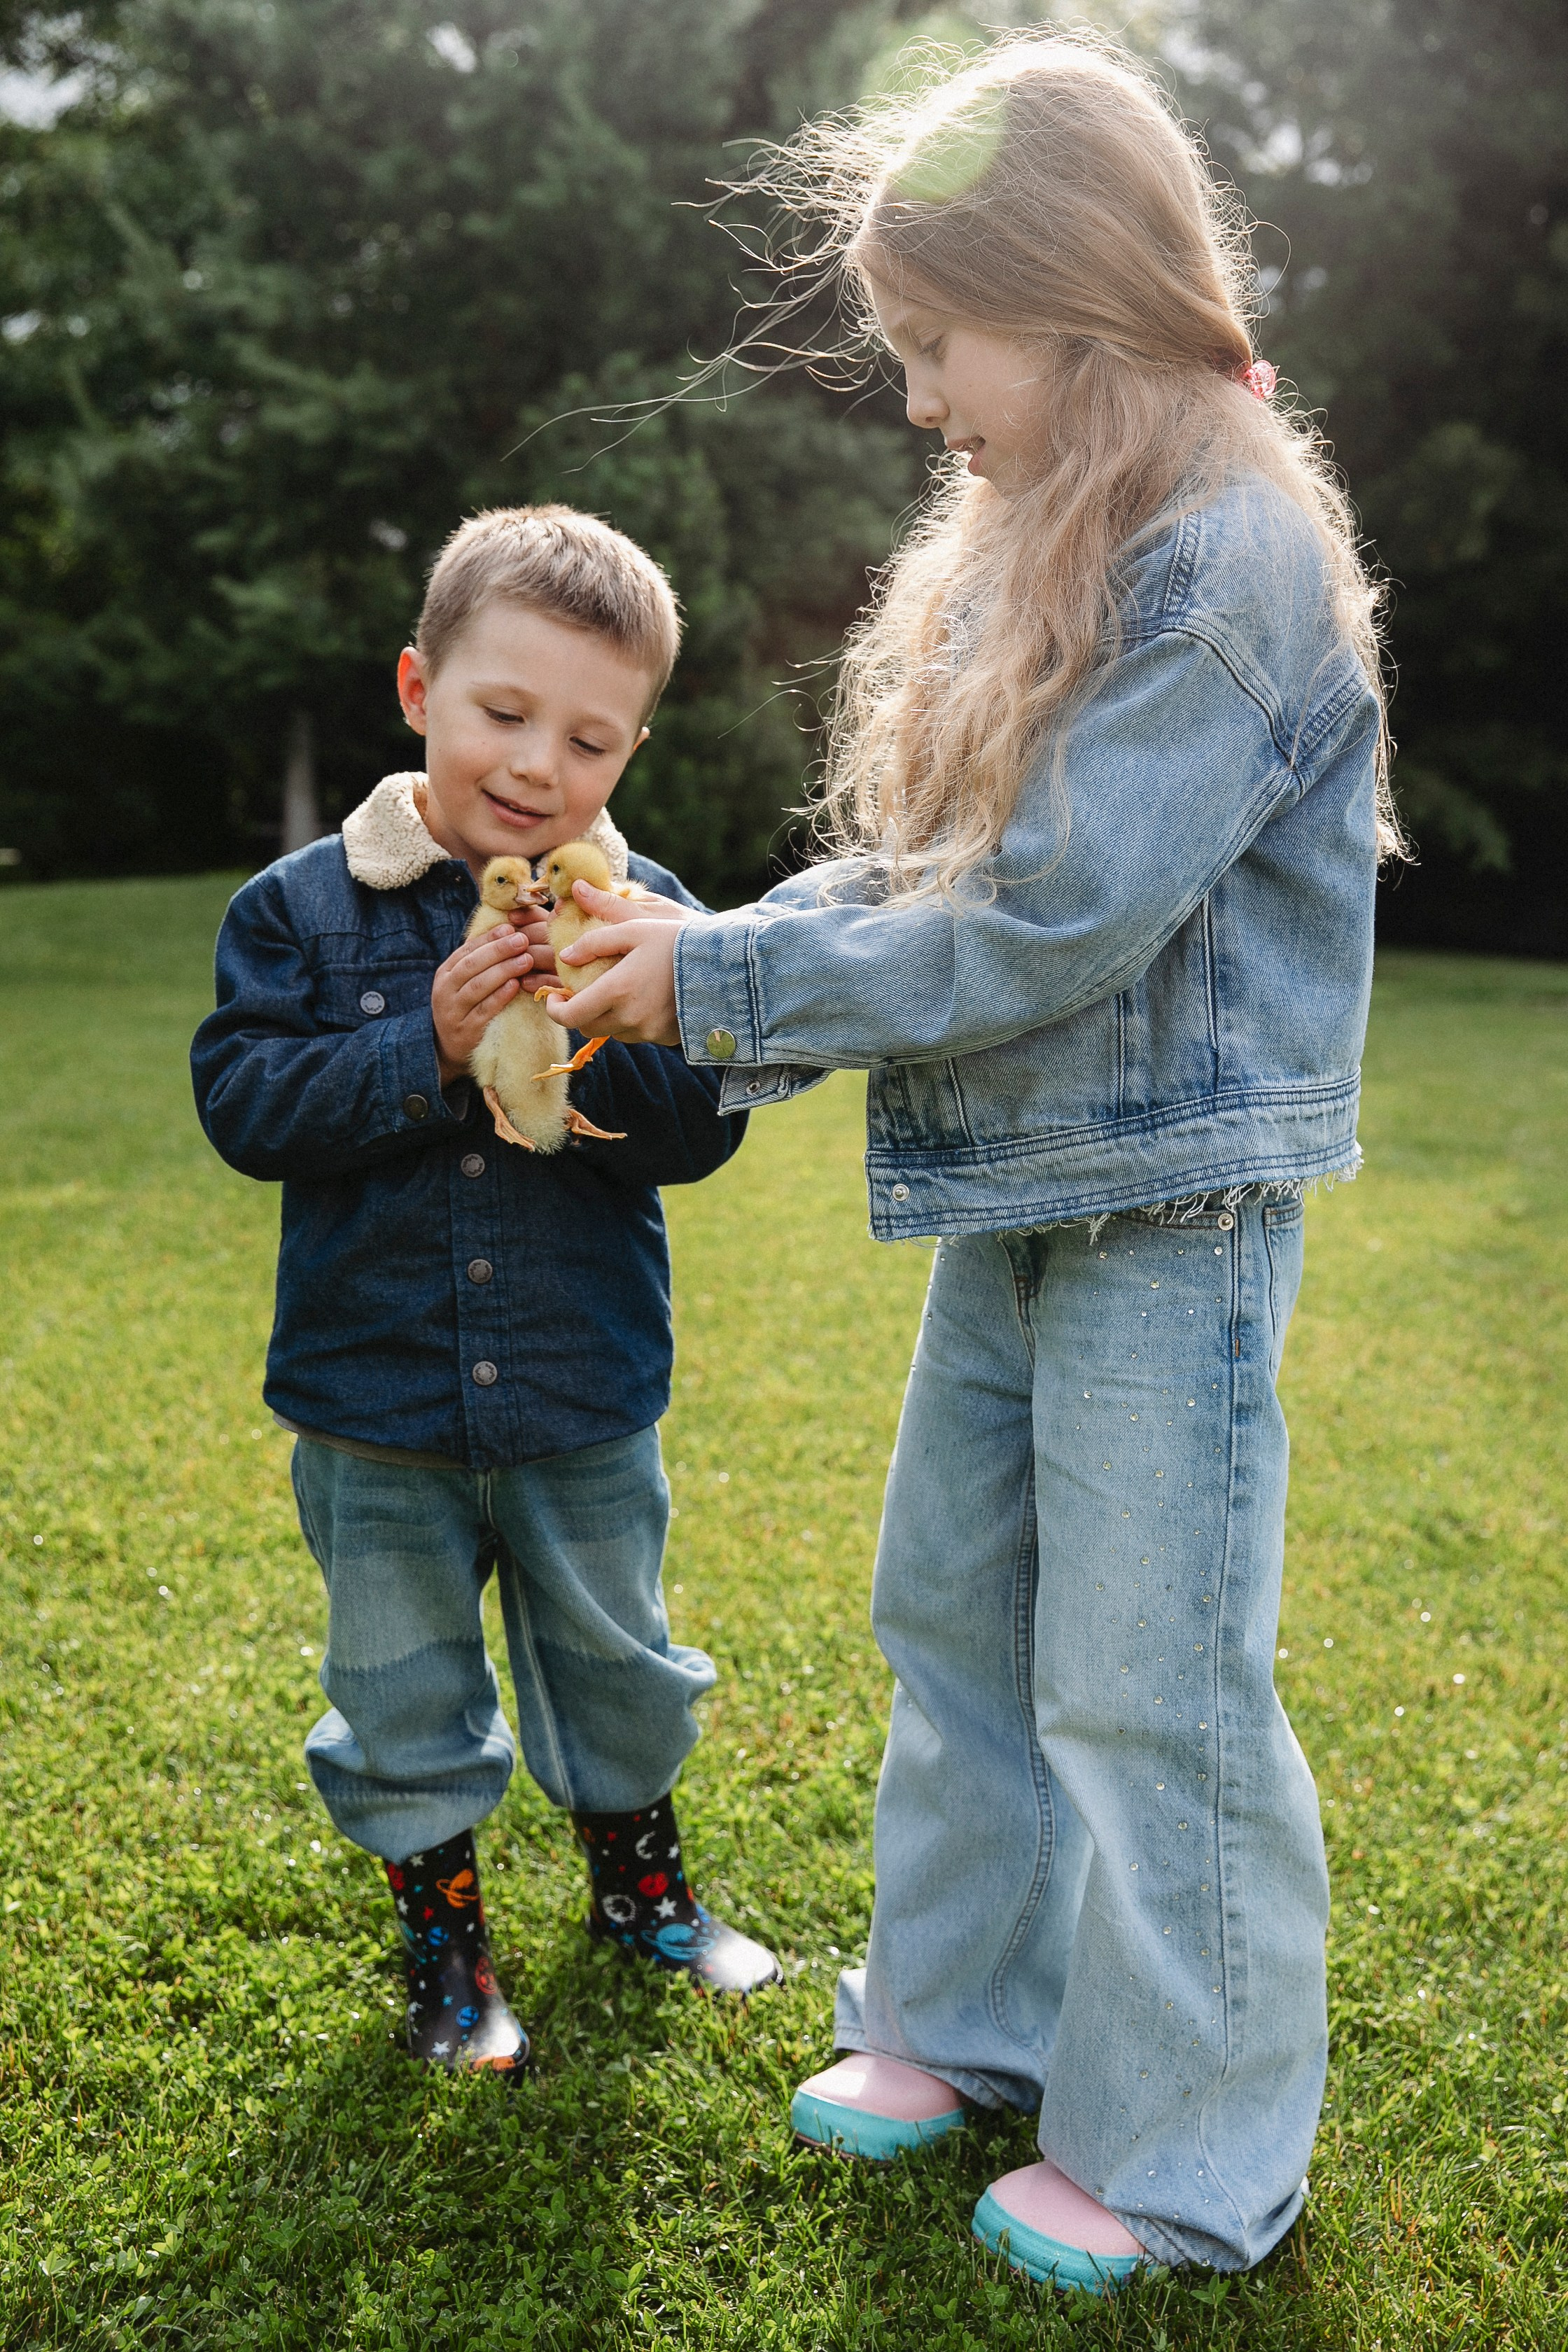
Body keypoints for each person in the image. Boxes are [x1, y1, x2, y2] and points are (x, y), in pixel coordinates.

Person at [536, 34, 1390, 2292]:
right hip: (1020, 1190)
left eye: (938, 344)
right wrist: (701, 949)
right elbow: (934, 866)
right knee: (958, 1617)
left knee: (1149, 1680)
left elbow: (1050, 917)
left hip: (1167, 1213)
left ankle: (1184, 2163)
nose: (918, 401)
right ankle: (968, 2023)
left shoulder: (1229, 563)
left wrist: (724, 986)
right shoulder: (1048, 540)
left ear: (1076, 295)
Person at [191, 505, 780, 2077]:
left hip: (580, 1387)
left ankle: (642, 1893)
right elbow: (245, 1106)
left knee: (617, 1660)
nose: (536, 767)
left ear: (632, 749)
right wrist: (431, 1046)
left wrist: (610, 1013)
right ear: (418, 691)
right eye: (502, 713)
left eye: (588, 740)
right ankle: (446, 1946)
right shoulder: (301, 909)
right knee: (399, 1685)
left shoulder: (645, 911)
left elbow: (696, 1140)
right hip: (373, 1399)